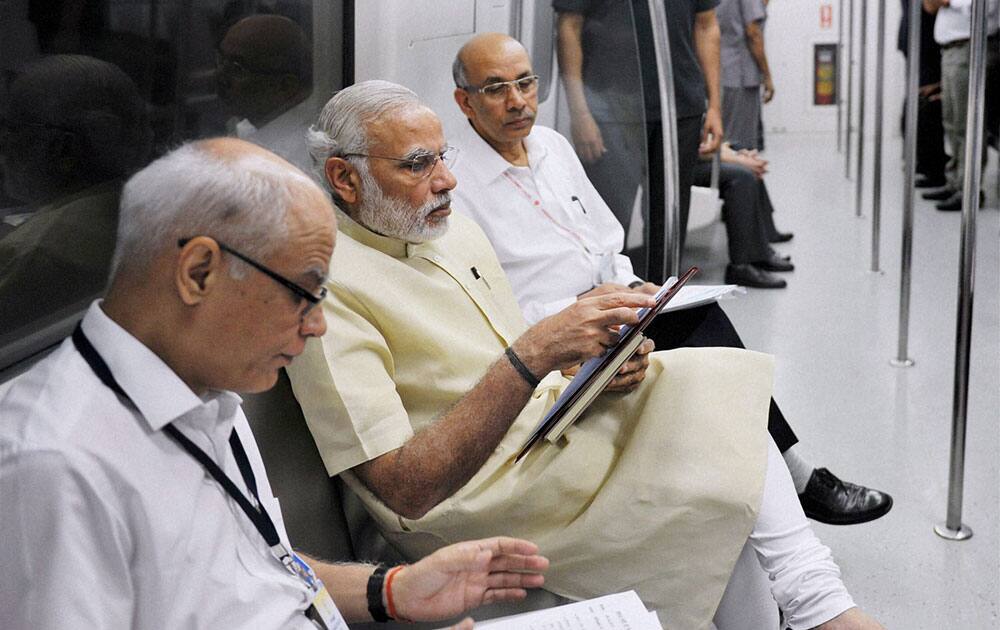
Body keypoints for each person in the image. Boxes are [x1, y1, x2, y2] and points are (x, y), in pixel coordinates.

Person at [290, 79, 886, 630]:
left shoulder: (446, 231)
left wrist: (581, 371)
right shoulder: (329, 288)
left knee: (712, 390)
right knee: (717, 460)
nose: (447, 180)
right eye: (419, 164)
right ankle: (823, 608)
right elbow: (405, 489)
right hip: (467, 497)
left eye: (444, 156)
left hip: (534, 432)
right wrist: (537, 352)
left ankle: (816, 602)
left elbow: (495, 360)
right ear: (344, 179)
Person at [0, 137, 549, 630]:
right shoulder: (53, 466)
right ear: (199, 273)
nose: (317, 325)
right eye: (302, 294)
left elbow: (254, 566)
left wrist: (392, 590)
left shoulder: (210, 394)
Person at [450, 33, 891, 521]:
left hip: (613, 305)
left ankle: (782, 487)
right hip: (559, 331)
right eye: (495, 89)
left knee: (707, 328)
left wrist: (630, 284)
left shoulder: (550, 146)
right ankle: (799, 481)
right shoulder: (460, 185)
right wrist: (576, 308)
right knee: (709, 343)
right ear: (464, 101)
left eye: (525, 83)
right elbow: (488, 306)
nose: (516, 101)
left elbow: (602, 237)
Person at [556, 0, 726, 268]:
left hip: (679, 108)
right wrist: (580, 114)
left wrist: (715, 106)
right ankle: (608, 301)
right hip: (611, 110)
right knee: (606, 219)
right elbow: (569, 27)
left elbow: (707, 26)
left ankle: (662, 301)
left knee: (669, 221)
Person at [0, 54, 153, 342]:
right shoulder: (145, 211)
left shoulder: (33, 254)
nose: (3, 144)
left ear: (64, 150)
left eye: (12, 129)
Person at [920, 0, 999, 211]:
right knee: (952, 122)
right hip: (952, 48)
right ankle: (955, 182)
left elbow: (986, 8)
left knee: (968, 123)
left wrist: (947, 1)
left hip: (970, 46)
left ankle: (970, 189)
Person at [898, 0, 949, 189]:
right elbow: (931, 5)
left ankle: (921, 160)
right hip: (923, 39)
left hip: (916, 37)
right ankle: (931, 167)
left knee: (918, 99)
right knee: (927, 102)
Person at [717, 0, 773, 150]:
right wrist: (767, 76)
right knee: (741, 147)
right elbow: (753, 32)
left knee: (725, 143)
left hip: (722, 71)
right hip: (741, 74)